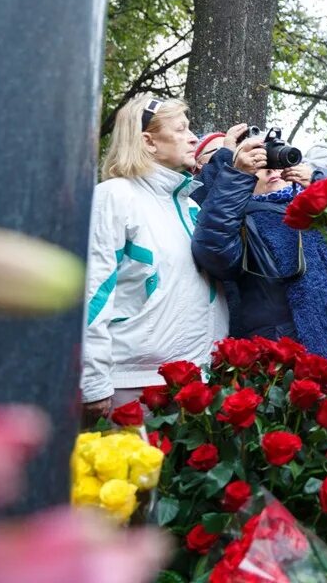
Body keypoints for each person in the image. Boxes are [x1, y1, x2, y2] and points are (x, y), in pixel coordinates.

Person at [189, 125, 327, 387]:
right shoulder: (240, 218)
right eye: (260, 165)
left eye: (275, 162)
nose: (271, 170)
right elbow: (213, 250)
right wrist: (233, 170)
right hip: (282, 360)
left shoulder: (314, 211)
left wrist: (317, 179)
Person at [81, 96, 229, 422]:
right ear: (148, 141)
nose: (193, 137)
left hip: (193, 382)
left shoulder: (191, 205)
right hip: (131, 384)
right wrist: (93, 380)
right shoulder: (115, 195)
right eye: (181, 129)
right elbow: (94, 290)